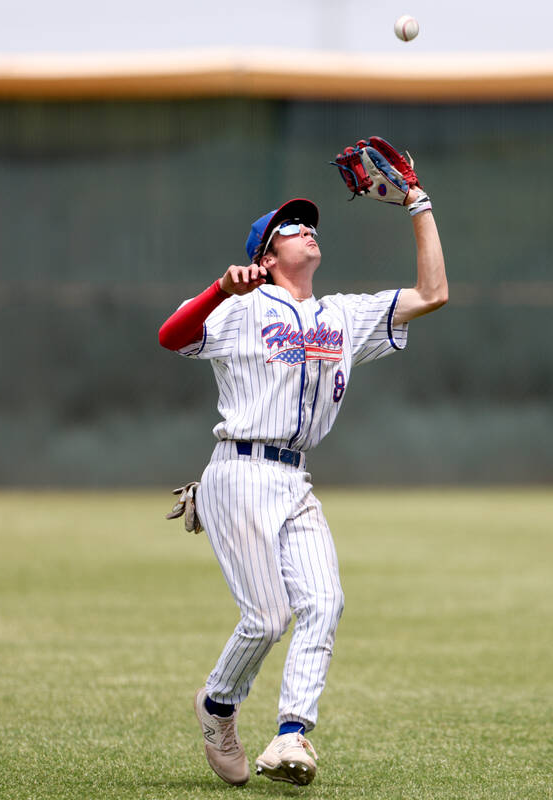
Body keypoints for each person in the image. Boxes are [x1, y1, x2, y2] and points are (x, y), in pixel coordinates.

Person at [157, 161, 446, 787]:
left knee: (324, 601)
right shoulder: (239, 305)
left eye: (309, 224)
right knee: (265, 617)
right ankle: (218, 708)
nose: (307, 230)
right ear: (265, 253)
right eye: (291, 225)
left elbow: (432, 295)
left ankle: (291, 736)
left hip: (295, 479)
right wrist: (218, 291)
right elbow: (170, 336)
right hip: (238, 472)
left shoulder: (340, 316)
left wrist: (418, 203)